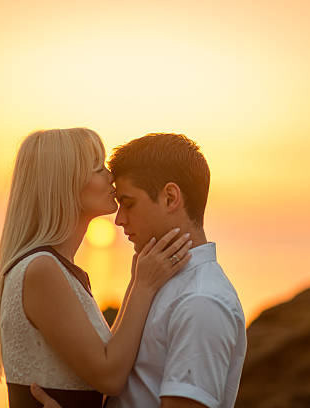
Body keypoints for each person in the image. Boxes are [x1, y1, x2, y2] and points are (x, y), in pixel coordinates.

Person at [32, 133, 247, 407]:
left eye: (129, 203)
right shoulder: (159, 278)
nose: (119, 220)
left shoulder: (201, 301)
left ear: (170, 198)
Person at [0, 128, 192, 408]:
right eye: (98, 168)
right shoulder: (41, 270)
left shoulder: (56, 269)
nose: (110, 177)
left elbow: (106, 358)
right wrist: (144, 285)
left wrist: (135, 283)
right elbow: (110, 378)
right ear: (64, 184)